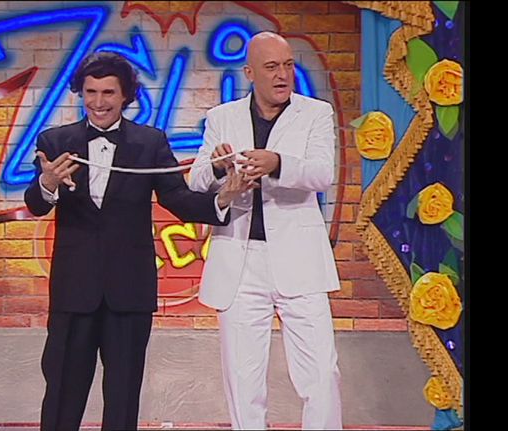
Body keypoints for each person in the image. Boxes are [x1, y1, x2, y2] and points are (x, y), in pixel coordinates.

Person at [24, 51, 251, 431]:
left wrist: (222, 199)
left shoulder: (149, 142)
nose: (98, 102)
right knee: (62, 390)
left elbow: (177, 199)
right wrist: (47, 184)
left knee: (124, 395)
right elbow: (36, 204)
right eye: (91, 92)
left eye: (108, 93)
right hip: (73, 290)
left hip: (129, 291)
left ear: (126, 95)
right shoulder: (55, 140)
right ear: (80, 92)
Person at [189, 31, 343, 430]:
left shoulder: (315, 113)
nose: (282, 75)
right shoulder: (222, 117)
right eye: (271, 67)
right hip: (240, 261)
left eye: (288, 65)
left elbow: (321, 173)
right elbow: (196, 181)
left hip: (300, 260)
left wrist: (277, 163)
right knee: (244, 379)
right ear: (250, 73)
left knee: (321, 373)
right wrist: (219, 167)